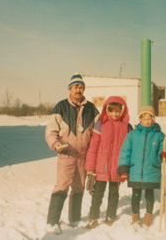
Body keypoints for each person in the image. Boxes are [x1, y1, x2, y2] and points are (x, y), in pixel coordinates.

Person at [44, 73, 99, 234]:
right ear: (70, 89)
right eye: (75, 87)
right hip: (66, 154)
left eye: (81, 87)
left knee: (79, 187)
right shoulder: (61, 106)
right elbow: (51, 130)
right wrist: (55, 143)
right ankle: (52, 221)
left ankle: (74, 218)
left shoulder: (91, 108)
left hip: (83, 155)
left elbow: (99, 130)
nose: (78, 90)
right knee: (62, 186)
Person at [118, 105, 166, 227]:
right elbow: (125, 152)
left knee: (149, 194)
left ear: (154, 119)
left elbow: (165, 149)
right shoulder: (132, 135)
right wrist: (124, 169)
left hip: (151, 170)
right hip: (135, 170)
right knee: (136, 194)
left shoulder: (160, 135)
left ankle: (149, 215)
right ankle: (135, 215)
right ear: (140, 120)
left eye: (150, 118)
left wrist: (165, 155)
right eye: (144, 119)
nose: (147, 122)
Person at [84, 96, 131, 229]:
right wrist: (90, 167)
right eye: (111, 111)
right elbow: (93, 147)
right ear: (106, 111)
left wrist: (126, 168)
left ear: (122, 111)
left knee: (114, 194)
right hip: (101, 167)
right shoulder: (100, 125)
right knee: (97, 194)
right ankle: (93, 218)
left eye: (117, 111)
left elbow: (129, 149)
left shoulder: (126, 127)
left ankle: (111, 215)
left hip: (117, 167)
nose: (114, 114)